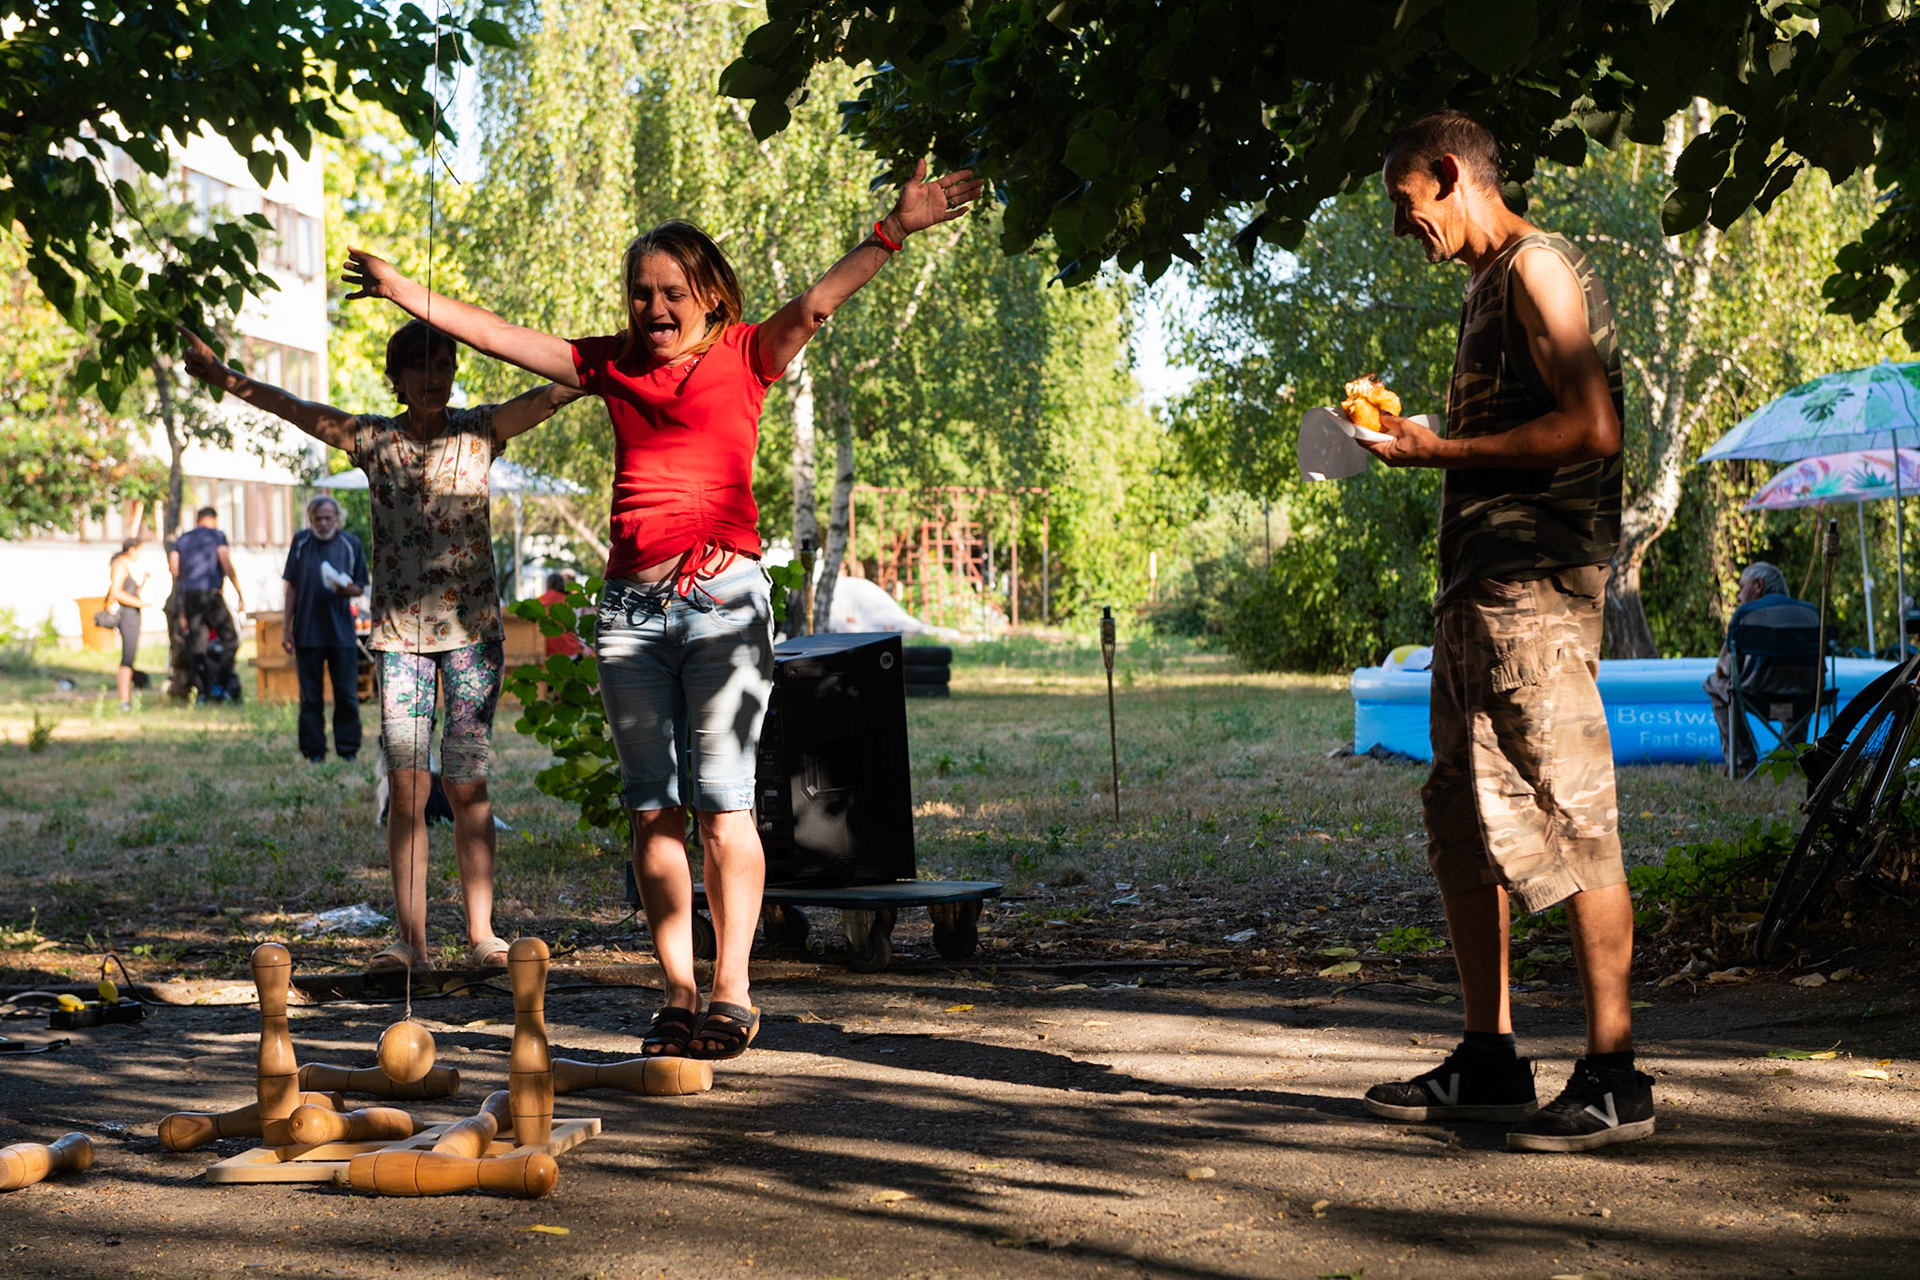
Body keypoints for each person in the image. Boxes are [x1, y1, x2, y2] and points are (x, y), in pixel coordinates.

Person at [342, 158, 982, 1059]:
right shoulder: (611, 364)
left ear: (709, 294)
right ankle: (677, 991)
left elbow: (814, 307)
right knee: (653, 810)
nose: (653, 308)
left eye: (671, 291)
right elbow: (498, 336)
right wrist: (409, 292)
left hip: (721, 603)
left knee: (724, 808)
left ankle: (733, 991)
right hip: (631, 615)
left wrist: (895, 229)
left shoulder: (746, 353)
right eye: (640, 293)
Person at [1355, 111, 1652, 1152]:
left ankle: (1615, 1073)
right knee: (1461, 817)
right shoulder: (1489, 285)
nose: (1405, 229)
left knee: (1573, 811)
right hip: (1479, 595)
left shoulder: (1536, 269)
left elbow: (1591, 426)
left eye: (1407, 204)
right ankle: (1489, 1058)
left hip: (1533, 593)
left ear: (1449, 176)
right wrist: (1422, 442)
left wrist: (1440, 452)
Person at [178, 320, 582, 973]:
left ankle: (483, 936)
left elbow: (560, 390)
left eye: (444, 362)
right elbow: (295, 408)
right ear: (394, 378)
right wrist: (225, 378)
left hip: (473, 638)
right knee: (408, 786)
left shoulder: (479, 431)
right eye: (418, 365)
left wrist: (625, 354)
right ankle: (412, 943)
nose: (433, 375)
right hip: (400, 642)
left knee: (469, 783)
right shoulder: (375, 439)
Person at [1703, 561, 1819, 775]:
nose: (1738, 596)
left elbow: (1724, 670)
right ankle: (1792, 757)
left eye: (1742, 587)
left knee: (1714, 682)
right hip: (1804, 701)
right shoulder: (1811, 613)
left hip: (1758, 701)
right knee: (1798, 682)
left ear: (1758, 585)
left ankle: (1742, 761)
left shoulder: (1745, 614)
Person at [284, 494, 370, 763]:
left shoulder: (350, 543)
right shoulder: (301, 543)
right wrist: (287, 628)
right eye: (317, 518)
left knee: (346, 694)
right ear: (310, 519)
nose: (322, 523)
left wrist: (346, 589)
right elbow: (291, 587)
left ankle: (348, 750)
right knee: (310, 697)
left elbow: (361, 585)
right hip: (307, 630)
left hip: (341, 632)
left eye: (327, 518)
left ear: (337, 518)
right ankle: (314, 752)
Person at [169, 506, 245, 702]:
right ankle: (221, 686)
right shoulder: (216, 535)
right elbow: (225, 561)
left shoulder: (183, 539)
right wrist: (238, 591)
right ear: (213, 519)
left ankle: (204, 690)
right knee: (231, 638)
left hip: (190, 596)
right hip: (211, 594)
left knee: (198, 645)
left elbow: (175, 569)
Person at [105, 537, 150, 712]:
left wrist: (144, 583)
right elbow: (116, 592)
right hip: (127, 615)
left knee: (130, 657)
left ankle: (127, 698)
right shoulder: (120, 565)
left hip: (132, 614)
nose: (141, 555)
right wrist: (141, 604)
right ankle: (125, 700)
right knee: (128, 658)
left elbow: (130, 592)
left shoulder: (125, 566)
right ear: (131, 550)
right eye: (140, 550)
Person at [537, 571, 586, 659]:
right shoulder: (569, 601)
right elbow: (576, 625)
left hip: (546, 652)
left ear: (547, 585)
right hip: (570, 651)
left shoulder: (538, 602)